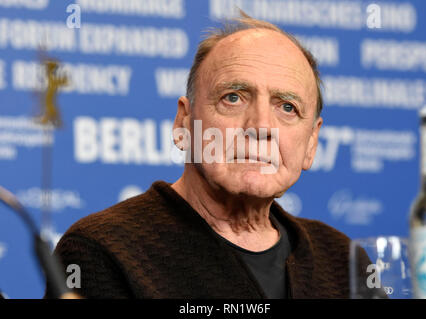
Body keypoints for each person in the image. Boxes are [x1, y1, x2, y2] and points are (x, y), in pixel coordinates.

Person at [45, 12, 360, 299]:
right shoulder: (101, 251)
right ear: (184, 123)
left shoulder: (343, 259)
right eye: (233, 97)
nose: (261, 126)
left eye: (287, 107)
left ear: (311, 143)